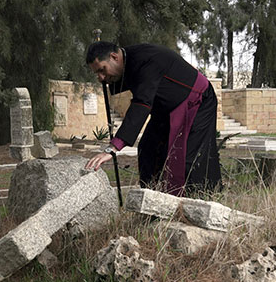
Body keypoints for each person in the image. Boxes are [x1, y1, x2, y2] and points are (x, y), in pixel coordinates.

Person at [84, 41, 222, 196]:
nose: (101, 77)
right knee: (148, 149)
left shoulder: (146, 59)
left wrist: (113, 148)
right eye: (97, 73)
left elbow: (142, 103)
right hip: (164, 109)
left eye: (102, 70)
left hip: (198, 101)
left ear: (114, 57)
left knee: (186, 158)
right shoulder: (126, 61)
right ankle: (151, 199)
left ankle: (200, 199)